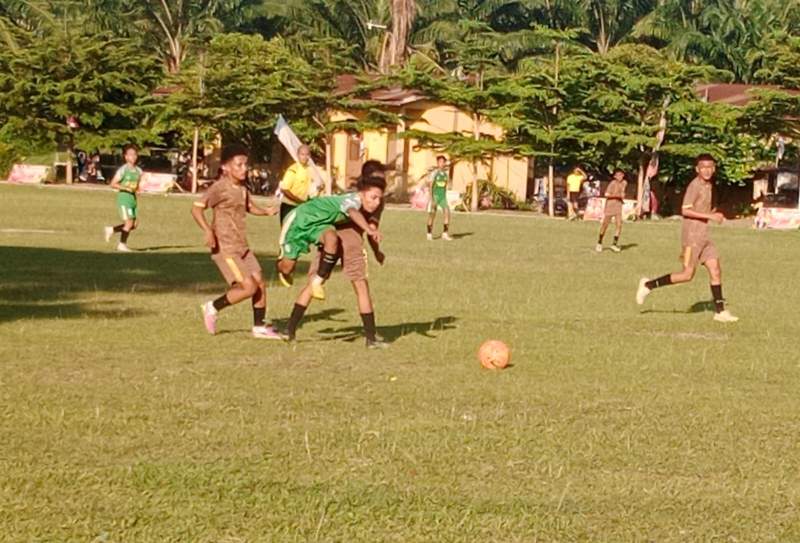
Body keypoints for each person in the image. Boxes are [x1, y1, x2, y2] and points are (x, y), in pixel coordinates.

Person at [289, 160, 389, 348]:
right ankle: (371, 339)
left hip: (330, 237)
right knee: (360, 286)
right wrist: (370, 237)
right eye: (378, 181)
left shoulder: (370, 198)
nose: (380, 188)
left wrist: (377, 251)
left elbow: (373, 230)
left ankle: (290, 329)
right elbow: (363, 222)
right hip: (348, 241)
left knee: (315, 282)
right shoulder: (358, 199)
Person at [191, 144, 283, 339]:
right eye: (239, 165)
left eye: (245, 165)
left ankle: (259, 327)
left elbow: (249, 206)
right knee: (248, 287)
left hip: (242, 246)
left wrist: (265, 211)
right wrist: (208, 230)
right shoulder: (219, 188)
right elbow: (196, 209)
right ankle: (212, 307)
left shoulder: (241, 188)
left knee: (260, 284)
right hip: (225, 248)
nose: (244, 169)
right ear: (225, 167)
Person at [636, 154, 738, 322]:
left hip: (704, 236)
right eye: (703, 167)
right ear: (697, 169)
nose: (707, 170)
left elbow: (702, 209)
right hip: (691, 237)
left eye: (710, 167)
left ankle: (720, 312)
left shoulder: (709, 185)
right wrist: (710, 216)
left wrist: (714, 214)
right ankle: (648, 285)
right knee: (687, 275)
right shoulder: (694, 186)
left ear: (714, 168)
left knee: (716, 270)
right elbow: (685, 210)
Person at [276, 178, 385, 303]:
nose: (377, 202)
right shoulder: (353, 200)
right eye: (373, 197)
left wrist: (376, 250)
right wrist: (369, 229)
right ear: (362, 193)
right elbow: (352, 211)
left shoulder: (360, 203)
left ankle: (317, 282)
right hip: (300, 220)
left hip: (319, 225)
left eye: (379, 199)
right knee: (287, 268)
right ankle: (280, 265)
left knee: (332, 238)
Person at [104, 144, 143, 252]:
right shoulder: (123, 170)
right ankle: (122, 245)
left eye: (135, 154)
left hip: (133, 199)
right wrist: (126, 188)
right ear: (125, 157)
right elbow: (113, 184)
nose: (133, 157)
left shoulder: (138, 171)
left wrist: (138, 190)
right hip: (124, 199)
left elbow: (137, 185)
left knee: (134, 225)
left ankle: (111, 229)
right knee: (129, 223)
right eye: (130, 155)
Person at [279, 144, 314, 224]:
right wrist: (298, 200)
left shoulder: (309, 169)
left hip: (302, 206)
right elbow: (284, 189)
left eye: (307, 154)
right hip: (290, 206)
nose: (305, 157)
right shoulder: (293, 170)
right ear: (298, 155)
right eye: (302, 154)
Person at [596, 169, 628, 253]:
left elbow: (623, 192)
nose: (620, 176)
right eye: (618, 175)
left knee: (619, 225)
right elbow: (606, 194)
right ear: (615, 176)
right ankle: (599, 242)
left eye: (621, 175)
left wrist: (622, 196)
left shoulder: (624, 183)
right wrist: (617, 196)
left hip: (618, 206)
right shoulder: (612, 183)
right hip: (610, 206)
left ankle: (614, 244)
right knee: (605, 225)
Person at [426, 155, 452, 241]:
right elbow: (430, 186)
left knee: (447, 212)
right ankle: (429, 233)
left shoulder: (445, 174)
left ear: (444, 163)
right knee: (432, 215)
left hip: (442, 197)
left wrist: (446, 195)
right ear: (437, 163)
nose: (441, 163)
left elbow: (446, 186)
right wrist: (431, 198)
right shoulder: (434, 173)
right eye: (439, 162)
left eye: (442, 162)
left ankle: (445, 233)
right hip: (435, 196)